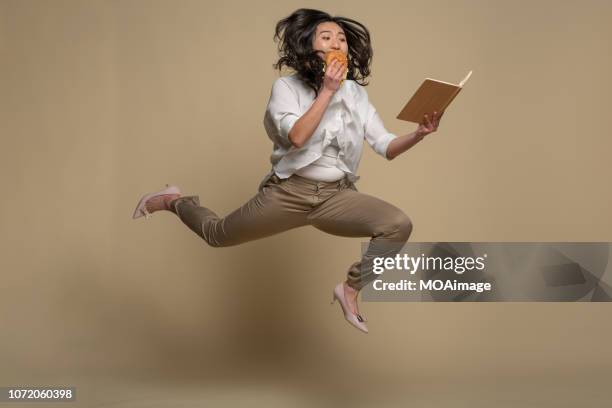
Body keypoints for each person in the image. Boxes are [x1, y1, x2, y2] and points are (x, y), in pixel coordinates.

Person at [132, 8, 442, 333]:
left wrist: (419, 134)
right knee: (216, 235)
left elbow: (386, 146)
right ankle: (173, 200)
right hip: (288, 193)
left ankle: (350, 289)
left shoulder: (356, 94)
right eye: (327, 37)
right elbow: (296, 137)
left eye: (342, 39)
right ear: (309, 47)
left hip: (334, 198)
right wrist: (327, 91)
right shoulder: (286, 88)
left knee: (397, 225)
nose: (338, 43)